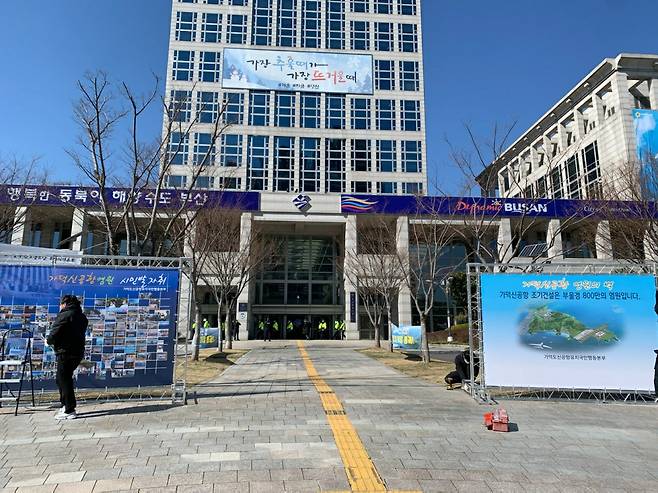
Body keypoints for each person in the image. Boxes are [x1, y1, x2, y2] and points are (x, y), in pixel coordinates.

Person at [46, 295, 88, 420]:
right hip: (77, 351)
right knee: (63, 378)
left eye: (60, 304)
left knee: (63, 379)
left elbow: (55, 333)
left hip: (65, 351)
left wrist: (48, 341)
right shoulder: (82, 316)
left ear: (65, 304)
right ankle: (65, 405)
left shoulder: (64, 315)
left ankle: (69, 408)